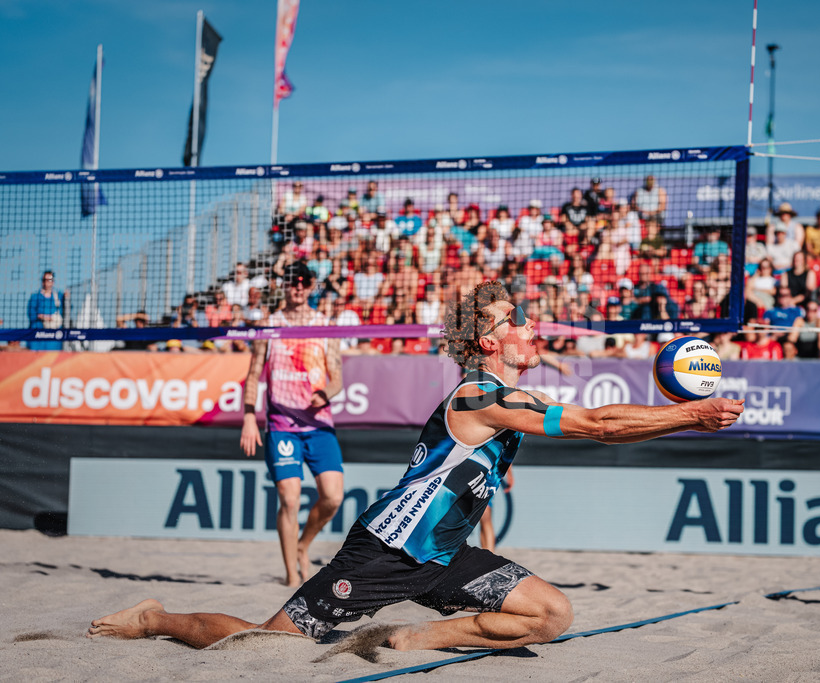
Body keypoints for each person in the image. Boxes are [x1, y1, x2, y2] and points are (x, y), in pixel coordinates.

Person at [89, 280, 744, 652]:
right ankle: (156, 617)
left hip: (445, 553)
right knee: (271, 645)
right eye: (513, 320)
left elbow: (592, 426)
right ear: (489, 341)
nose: (528, 326)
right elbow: (599, 426)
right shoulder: (479, 393)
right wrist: (694, 414)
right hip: (387, 551)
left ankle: (409, 637)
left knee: (552, 615)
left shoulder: (513, 396)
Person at [239, 263, 345, 587]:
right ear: (284, 286)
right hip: (282, 423)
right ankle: (290, 575)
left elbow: (338, 377)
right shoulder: (269, 325)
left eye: (303, 282)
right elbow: (254, 374)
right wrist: (248, 417)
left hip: (317, 422)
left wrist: (325, 393)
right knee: (289, 498)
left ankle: (303, 545)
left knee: (333, 497)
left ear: (312, 285)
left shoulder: (324, 325)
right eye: (292, 282)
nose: (297, 287)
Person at [478, 466, 513, 552]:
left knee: (485, 514)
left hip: (489, 471)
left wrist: (509, 473)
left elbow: (508, 452)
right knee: (481, 516)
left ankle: (490, 553)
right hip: (479, 468)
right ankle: (485, 553)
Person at [27, 270, 63, 351]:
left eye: (49, 280)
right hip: (37, 336)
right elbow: (31, 314)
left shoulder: (59, 296)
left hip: (54, 339)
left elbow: (65, 312)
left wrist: (67, 298)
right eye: (44, 280)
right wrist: (43, 317)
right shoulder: (35, 297)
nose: (46, 282)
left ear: (53, 282)